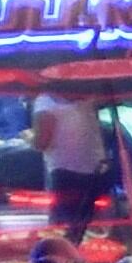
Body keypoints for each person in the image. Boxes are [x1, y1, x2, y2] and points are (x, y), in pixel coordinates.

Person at [30, 85, 116, 231]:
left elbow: (42, 141)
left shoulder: (45, 101)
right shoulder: (87, 97)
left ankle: (66, 252)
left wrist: (29, 139)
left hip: (65, 174)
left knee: (64, 229)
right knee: (95, 227)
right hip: (97, 170)